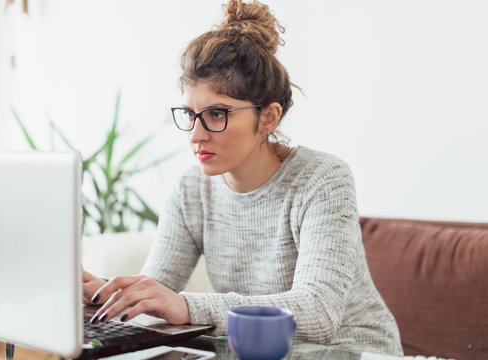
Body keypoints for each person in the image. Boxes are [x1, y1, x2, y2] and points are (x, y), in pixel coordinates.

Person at [83, 0, 403, 355]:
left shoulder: (323, 180)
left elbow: (319, 313)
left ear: (268, 118)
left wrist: (187, 306)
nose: (195, 135)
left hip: (354, 350)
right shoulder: (191, 191)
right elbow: (157, 292)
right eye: (190, 114)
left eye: (217, 114)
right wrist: (109, 295)